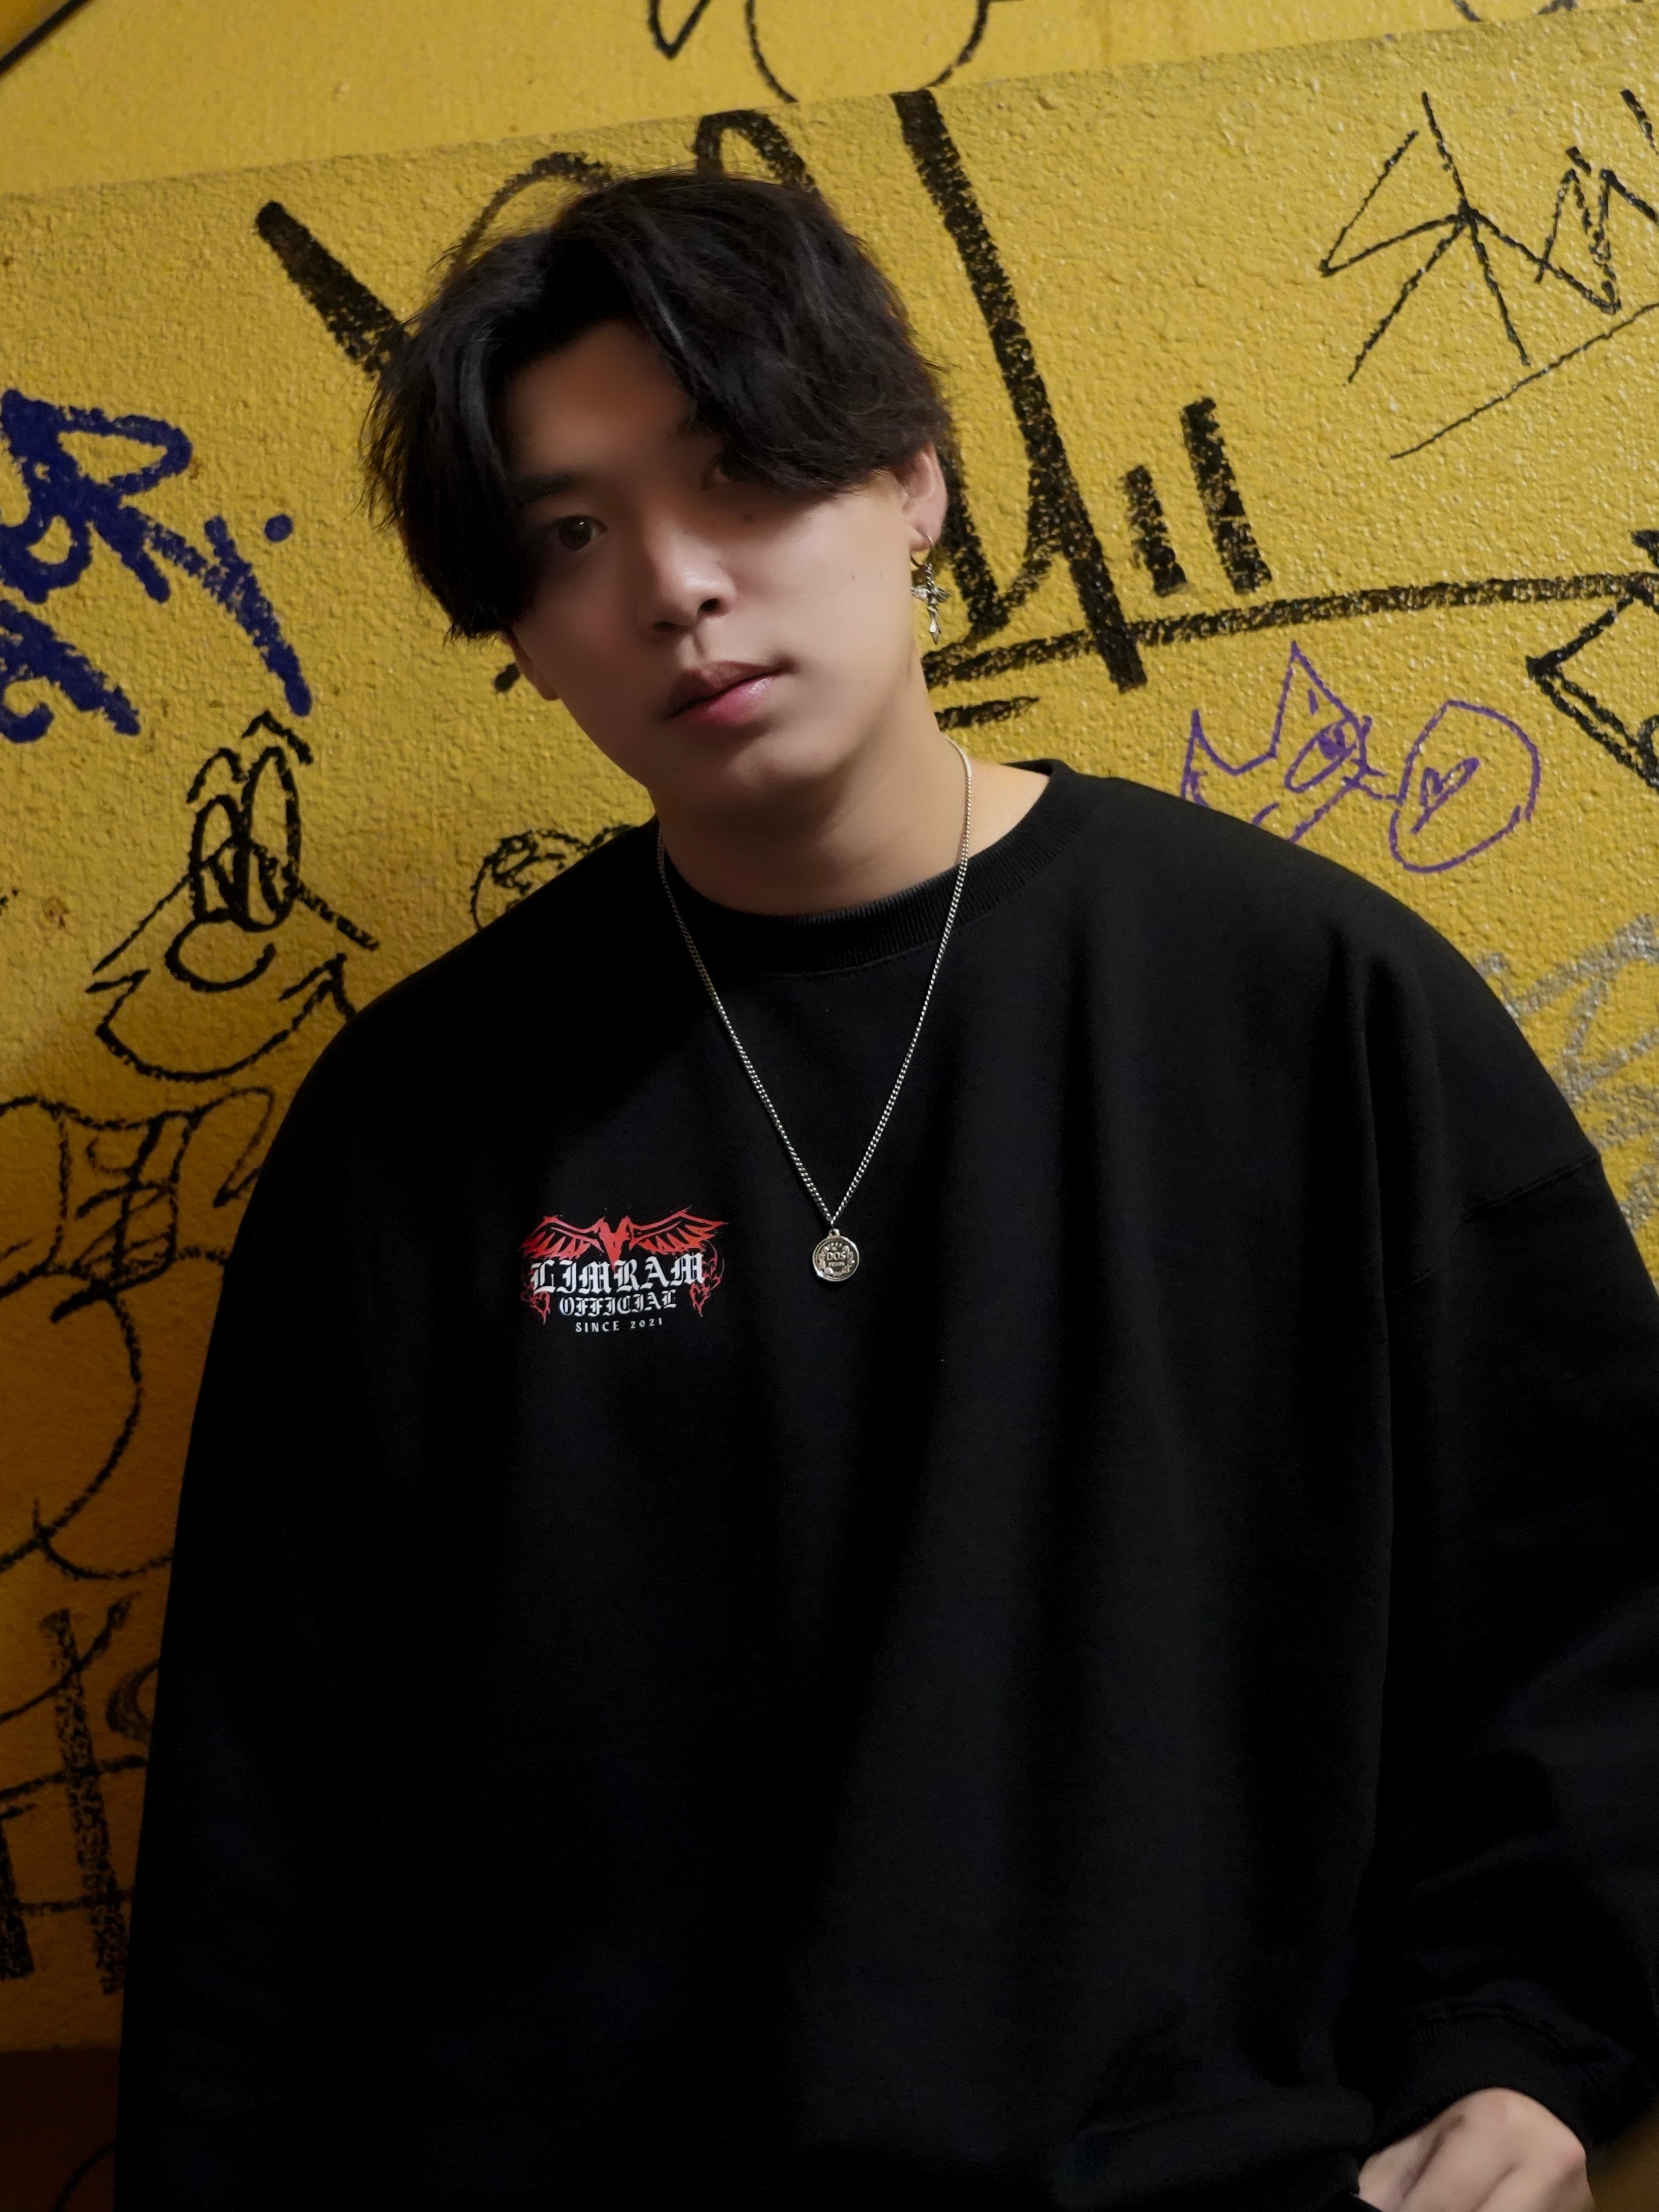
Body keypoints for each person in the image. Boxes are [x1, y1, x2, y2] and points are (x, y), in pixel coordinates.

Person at [116, 171, 1659, 2212]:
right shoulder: (419, 1121)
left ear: (915, 482)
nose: (674, 584)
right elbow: (269, 1802)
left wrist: (1532, 2048)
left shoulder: (1300, 999)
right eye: (571, 535)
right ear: (526, 642)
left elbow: (1591, 1593)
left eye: (737, 474)